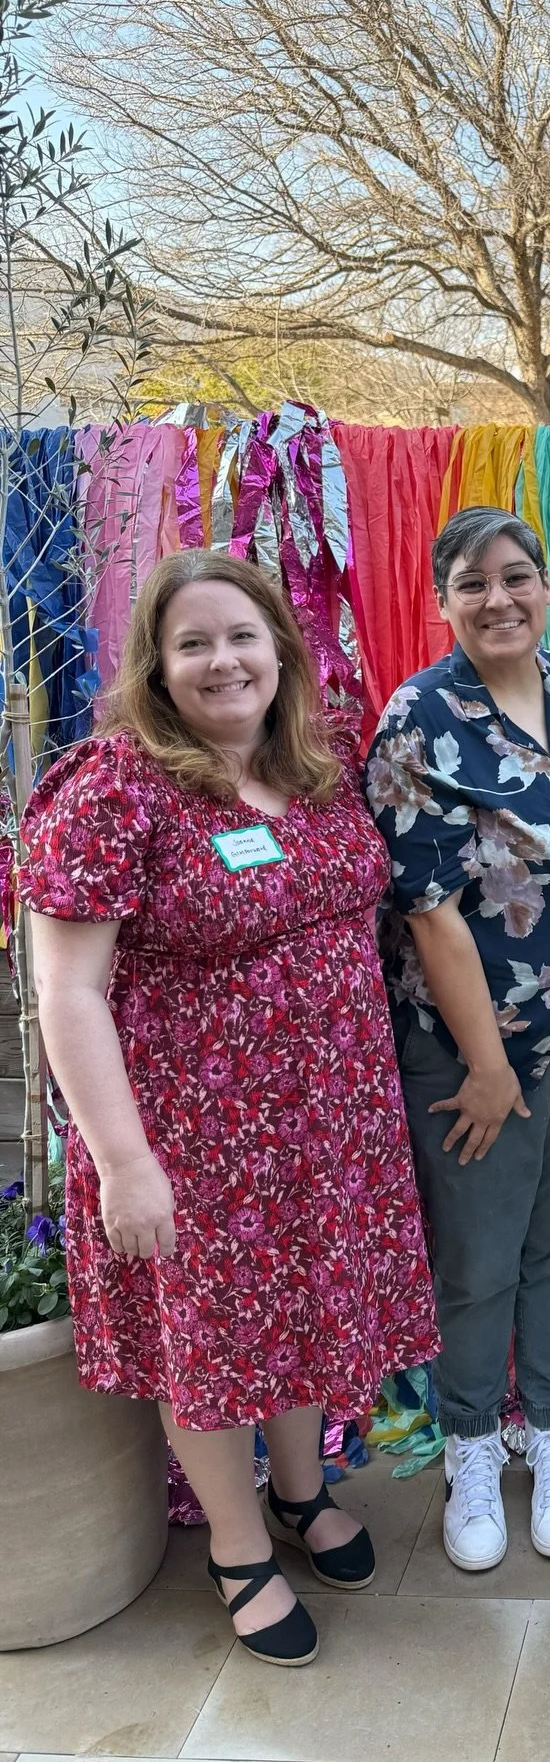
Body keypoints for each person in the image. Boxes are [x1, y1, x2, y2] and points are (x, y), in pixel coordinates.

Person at [20, 551, 438, 1669]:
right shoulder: (114, 788)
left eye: (243, 636)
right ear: (156, 665)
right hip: (194, 1145)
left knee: (301, 1321)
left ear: (280, 651)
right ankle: (240, 1546)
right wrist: (123, 1160)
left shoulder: (314, 769)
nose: (223, 660)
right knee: (213, 1350)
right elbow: (66, 990)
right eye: (193, 642)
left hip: (326, 1130)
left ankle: (302, 1492)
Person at [367, 506, 550, 1574]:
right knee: (479, 1263)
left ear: (547, 585)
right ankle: (473, 1447)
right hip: (480, 1051)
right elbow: (429, 907)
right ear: (443, 602)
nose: (499, 599)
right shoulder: (419, 719)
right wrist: (482, 1065)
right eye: (473, 584)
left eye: (517, 576)